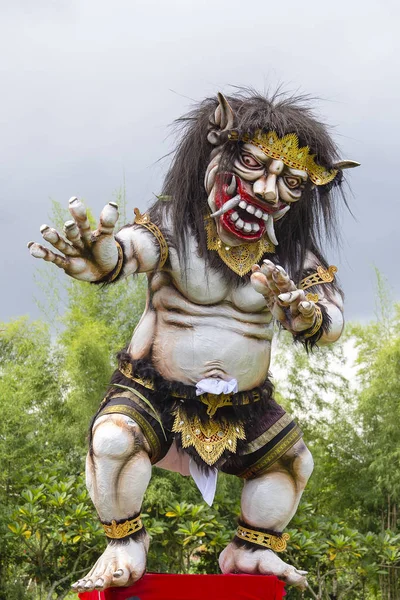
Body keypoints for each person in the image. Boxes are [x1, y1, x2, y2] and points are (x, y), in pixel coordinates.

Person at [28, 90, 359, 593]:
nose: (268, 192)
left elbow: (332, 322)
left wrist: (303, 311)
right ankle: (123, 540)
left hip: (242, 406)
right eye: (251, 164)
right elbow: (127, 252)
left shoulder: (295, 255)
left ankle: (252, 550)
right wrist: (101, 258)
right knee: (114, 439)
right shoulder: (173, 226)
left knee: (293, 462)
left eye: (290, 181)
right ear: (214, 156)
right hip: (155, 390)